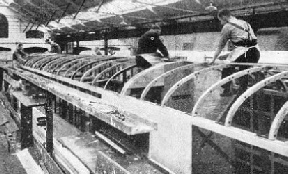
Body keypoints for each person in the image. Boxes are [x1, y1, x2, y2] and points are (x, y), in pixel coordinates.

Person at [210, 9, 260, 96]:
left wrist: (213, 59)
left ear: (224, 17)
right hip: (256, 53)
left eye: (221, 20)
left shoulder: (227, 27)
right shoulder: (245, 23)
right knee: (243, 71)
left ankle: (227, 90)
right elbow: (247, 42)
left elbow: (220, 46)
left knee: (226, 66)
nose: (221, 23)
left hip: (245, 53)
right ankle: (242, 93)